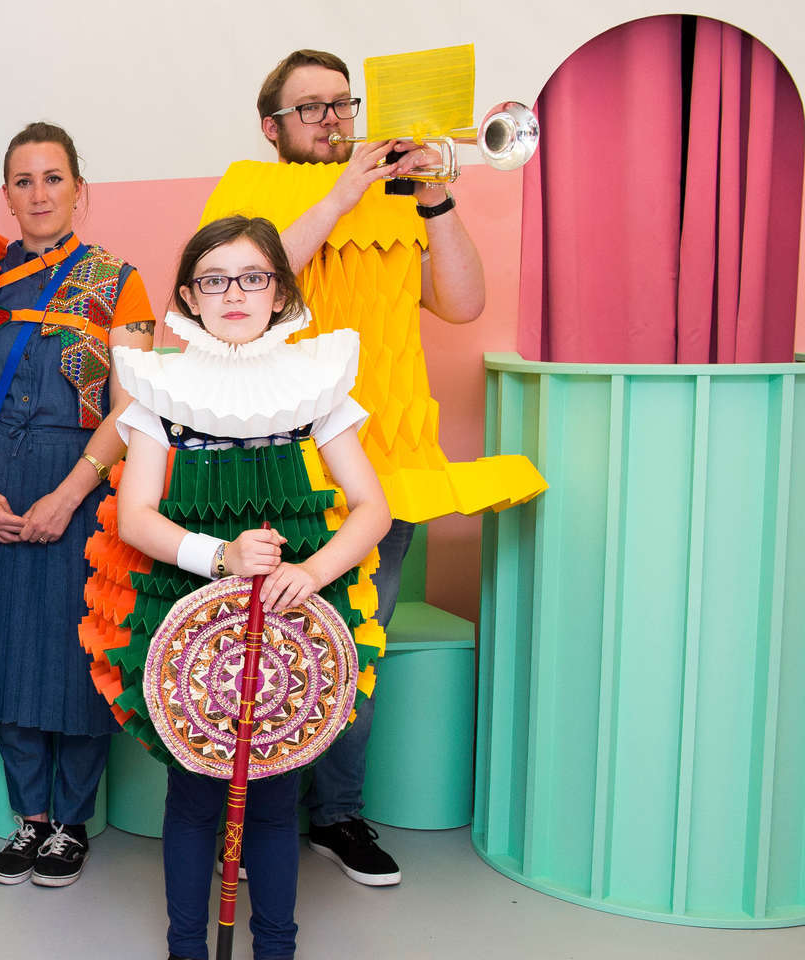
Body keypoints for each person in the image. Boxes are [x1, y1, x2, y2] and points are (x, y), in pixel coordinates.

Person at [199, 49, 544, 885]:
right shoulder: (245, 187)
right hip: (273, 466)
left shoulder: (398, 203)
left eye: (342, 103)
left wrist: (434, 197)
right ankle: (250, 820)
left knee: (356, 649)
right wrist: (342, 193)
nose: (334, 120)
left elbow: (462, 302)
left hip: (380, 472)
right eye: (311, 108)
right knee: (257, 649)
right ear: (271, 126)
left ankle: (337, 816)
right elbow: (250, 283)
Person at [113, 215, 390, 960]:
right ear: (188, 298)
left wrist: (313, 572)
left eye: (253, 277)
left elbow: (373, 507)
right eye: (214, 280)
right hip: (189, 618)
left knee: (272, 800)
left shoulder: (316, 383)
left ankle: (276, 948)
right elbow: (136, 517)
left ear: (280, 292)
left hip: (292, 619)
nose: (234, 294)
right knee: (194, 796)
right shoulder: (161, 388)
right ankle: (185, 948)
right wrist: (220, 557)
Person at [0, 122, 156, 888]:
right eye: (23, 180)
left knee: (83, 656)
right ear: (6, 193)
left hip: (84, 495)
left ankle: (71, 823)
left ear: (79, 189)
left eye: (53, 178)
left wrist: (69, 493)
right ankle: (30, 819)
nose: (39, 193)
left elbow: (132, 408)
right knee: (9, 653)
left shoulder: (120, 282)